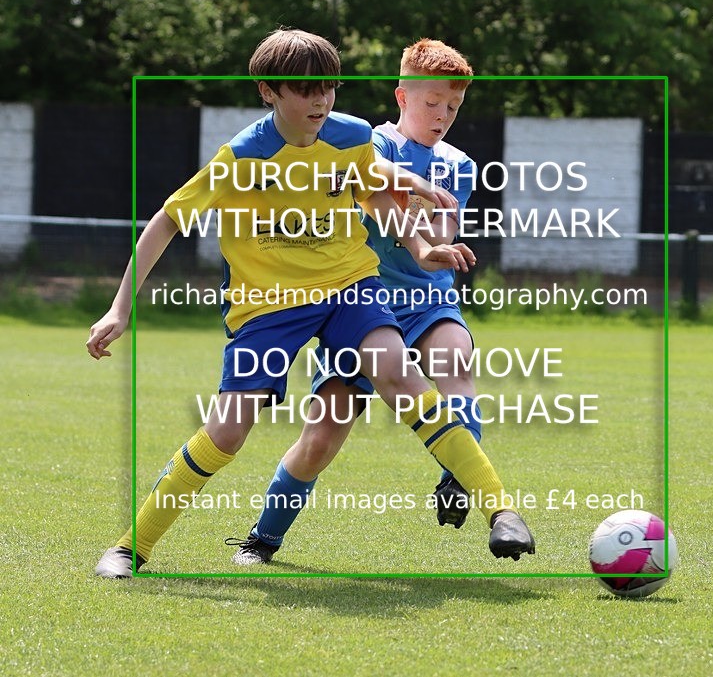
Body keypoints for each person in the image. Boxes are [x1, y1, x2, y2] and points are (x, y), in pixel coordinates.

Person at [89, 28, 533, 578]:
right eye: (305, 89)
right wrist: (119, 309)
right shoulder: (243, 157)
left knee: (397, 370)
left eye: (329, 86)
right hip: (269, 305)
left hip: (349, 285)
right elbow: (164, 224)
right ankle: (132, 546)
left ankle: (500, 508)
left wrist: (421, 246)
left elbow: (371, 192)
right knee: (228, 431)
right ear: (269, 91)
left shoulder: (347, 133)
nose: (321, 99)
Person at [228, 38, 535, 566]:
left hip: (425, 302)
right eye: (431, 104)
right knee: (321, 439)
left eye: (453, 108)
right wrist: (409, 215)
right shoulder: (370, 144)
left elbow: (434, 240)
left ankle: (459, 477)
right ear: (402, 97)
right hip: (359, 305)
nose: (442, 116)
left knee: (456, 358)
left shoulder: (458, 165)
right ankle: (264, 537)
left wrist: (434, 244)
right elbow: (377, 210)